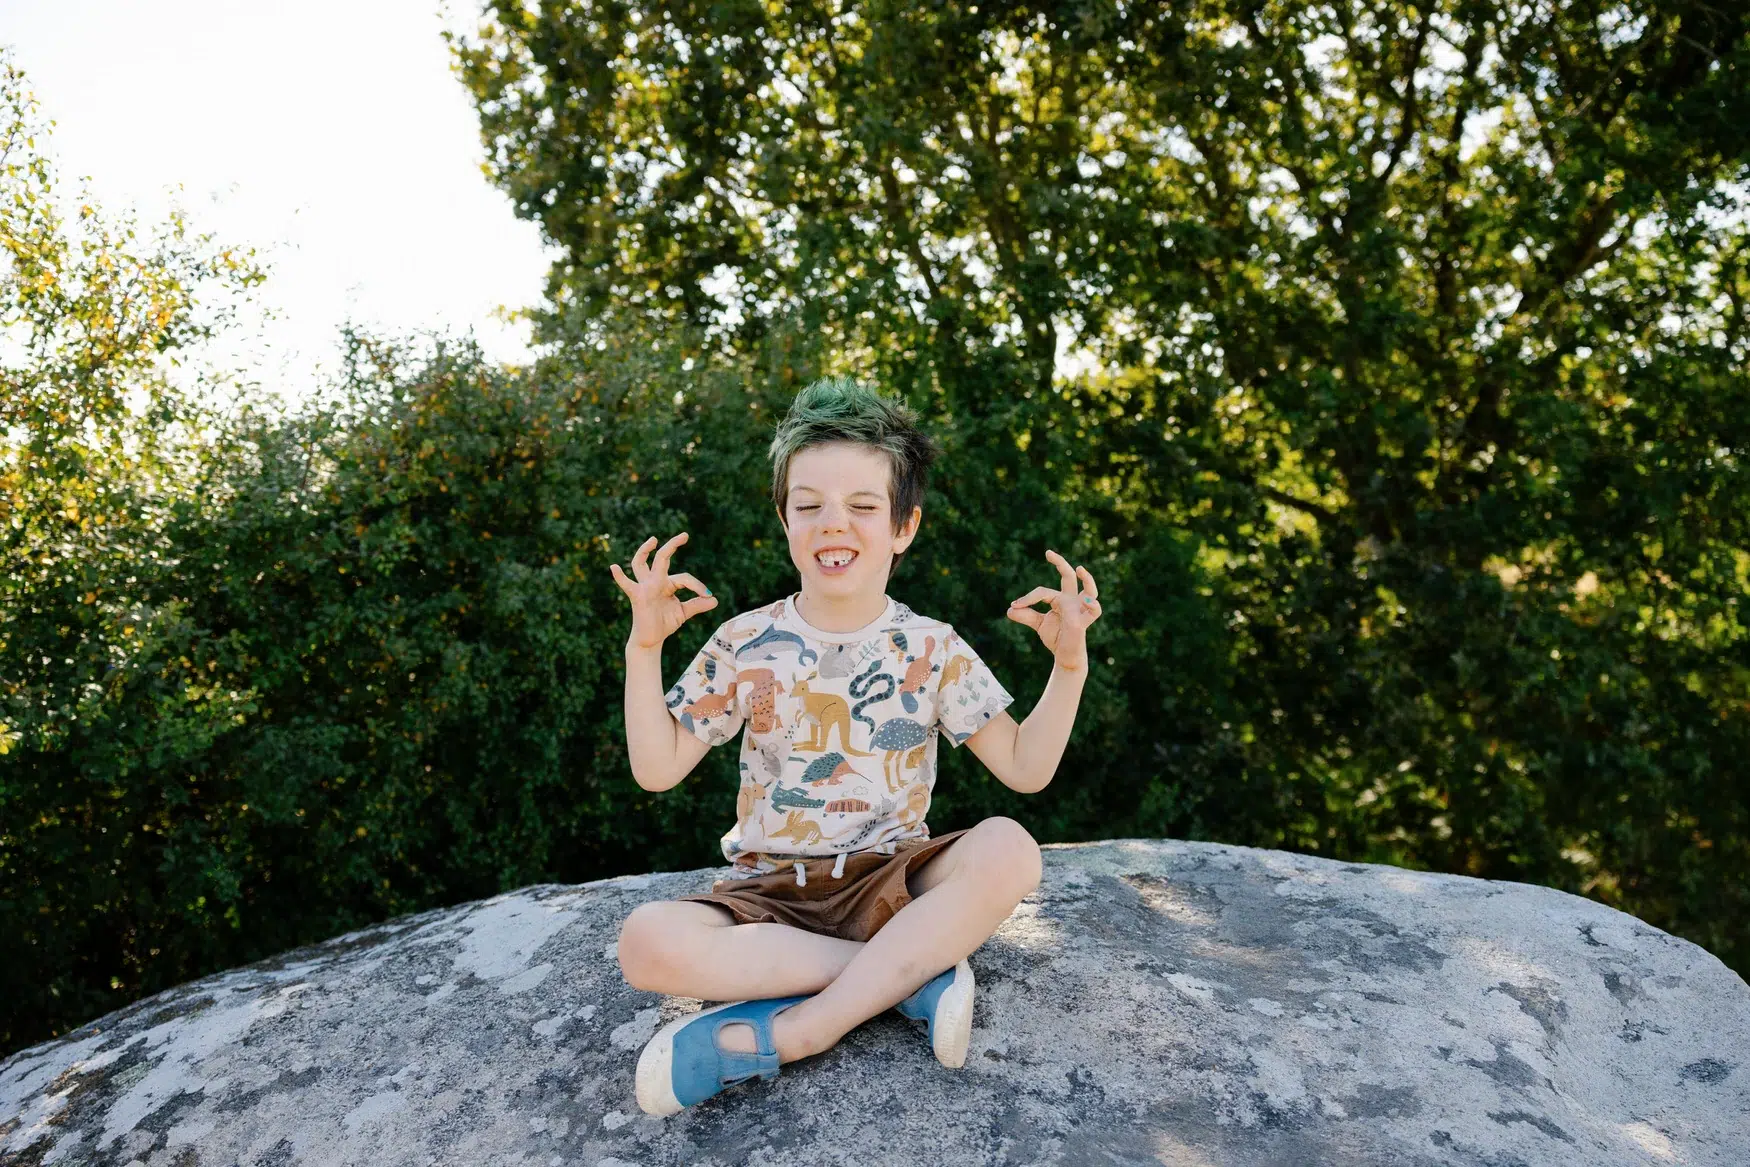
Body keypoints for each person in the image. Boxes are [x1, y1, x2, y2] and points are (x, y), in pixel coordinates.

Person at [609, 376, 1103, 1116]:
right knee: (645, 942)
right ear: (783, 518)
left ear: (904, 526)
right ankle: (909, 978)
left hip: (892, 884)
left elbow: (1026, 769)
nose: (832, 524)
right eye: (808, 505)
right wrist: (642, 648)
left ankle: (805, 1027)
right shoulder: (744, 642)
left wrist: (1069, 667)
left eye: (863, 506)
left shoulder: (933, 647)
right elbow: (656, 767)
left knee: (1010, 848)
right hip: (769, 897)